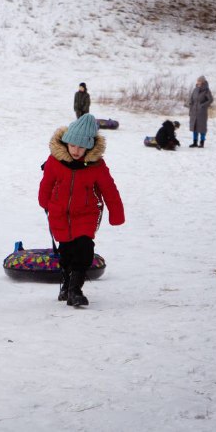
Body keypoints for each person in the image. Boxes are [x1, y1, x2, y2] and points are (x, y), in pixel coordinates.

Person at [38, 113, 125, 307]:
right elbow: (46, 184)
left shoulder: (97, 166)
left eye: (81, 146)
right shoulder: (55, 161)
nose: (76, 151)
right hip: (60, 214)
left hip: (86, 214)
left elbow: (109, 189)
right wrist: (44, 202)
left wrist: (116, 213)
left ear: (90, 146)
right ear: (67, 142)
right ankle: (67, 284)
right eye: (73, 145)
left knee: (84, 250)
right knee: (66, 252)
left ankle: (76, 290)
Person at [188, 75, 214, 148]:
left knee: (202, 128)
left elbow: (210, 99)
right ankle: (194, 142)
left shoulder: (206, 90)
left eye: (199, 81)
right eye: (197, 81)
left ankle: (202, 143)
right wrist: (190, 103)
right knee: (194, 127)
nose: (198, 82)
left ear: (203, 82)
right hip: (194, 111)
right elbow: (191, 98)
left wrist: (202, 105)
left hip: (201, 112)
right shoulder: (195, 89)